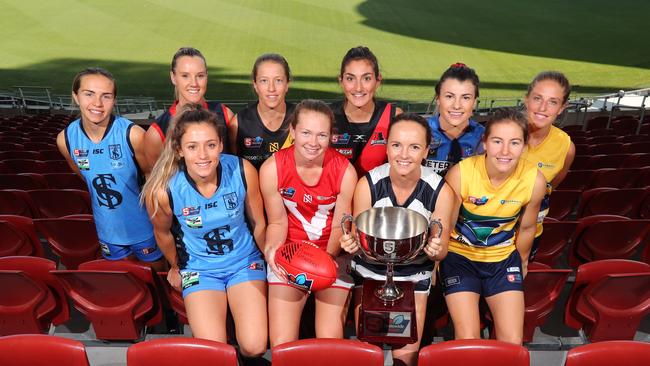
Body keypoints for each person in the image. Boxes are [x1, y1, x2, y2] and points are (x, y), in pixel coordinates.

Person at [142, 104, 267, 359]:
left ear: (221, 144)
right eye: (192, 146)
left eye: (210, 145)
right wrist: (176, 266)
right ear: (179, 149)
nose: (203, 155)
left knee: (254, 346)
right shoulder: (163, 190)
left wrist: (269, 259)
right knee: (214, 353)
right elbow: (163, 233)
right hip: (200, 269)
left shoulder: (243, 171)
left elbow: (259, 223)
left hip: (244, 262)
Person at [340, 113, 454, 366]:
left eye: (414, 147)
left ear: (426, 150)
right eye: (396, 145)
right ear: (387, 146)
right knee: (369, 355)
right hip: (371, 273)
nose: (404, 154)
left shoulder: (440, 190)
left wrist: (435, 249)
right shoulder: (367, 184)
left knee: (406, 358)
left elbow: (442, 250)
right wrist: (352, 245)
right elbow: (360, 244)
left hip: (414, 276)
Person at [441, 108, 546, 345]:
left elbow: (528, 227)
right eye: (497, 141)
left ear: (524, 146)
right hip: (461, 258)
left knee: (512, 341)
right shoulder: (461, 173)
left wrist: (523, 261)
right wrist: (438, 263)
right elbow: (445, 225)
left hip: (502, 261)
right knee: (468, 339)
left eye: (515, 142)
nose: (505, 151)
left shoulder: (535, 180)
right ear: (485, 142)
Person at [259, 99, 358, 347]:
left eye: (321, 135)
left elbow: (339, 226)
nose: (313, 143)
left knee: (329, 340)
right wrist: (273, 252)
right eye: (305, 133)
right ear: (292, 131)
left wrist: (321, 263)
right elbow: (277, 223)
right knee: (282, 343)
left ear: (331, 136)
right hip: (291, 251)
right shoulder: (272, 168)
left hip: (333, 255)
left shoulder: (345, 171)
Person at [56, 67, 165, 270]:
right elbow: (86, 178)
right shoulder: (66, 140)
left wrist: (161, 227)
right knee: (126, 284)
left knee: (156, 281)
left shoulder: (133, 135)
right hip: (108, 231)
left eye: (106, 96)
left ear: (114, 100)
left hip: (145, 228)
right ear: (76, 96)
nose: (97, 103)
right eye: (89, 94)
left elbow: (153, 179)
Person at [144, 47, 234, 168]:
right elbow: (156, 179)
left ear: (207, 76)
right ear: (173, 77)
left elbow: (236, 165)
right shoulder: (157, 133)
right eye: (185, 76)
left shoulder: (225, 114)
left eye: (200, 76)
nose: (194, 83)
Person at [521, 71, 575, 262]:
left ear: (561, 108)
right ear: (526, 99)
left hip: (529, 235)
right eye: (537, 98)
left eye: (553, 102)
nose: (543, 108)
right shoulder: (502, 132)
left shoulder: (566, 147)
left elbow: (551, 185)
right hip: (488, 234)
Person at [330, 46, 403, 177]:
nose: (358, 88)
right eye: (350, 78)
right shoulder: (326, 117)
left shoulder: (394, 117)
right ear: (341, 81)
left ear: (378, 81)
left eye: (367, 78)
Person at [228, 53, 295, 169]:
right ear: (255, 84)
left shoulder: (301, 118)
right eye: (264, 81)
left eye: (278, 80)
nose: (271, 88)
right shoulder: (239, 123)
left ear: (287, 84)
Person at [424, 63, 485, 176]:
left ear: (475, 102)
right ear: (438, 98)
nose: (457, 105)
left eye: (465, 97)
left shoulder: (484, 139)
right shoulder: (420, 131)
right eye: (449, 96)